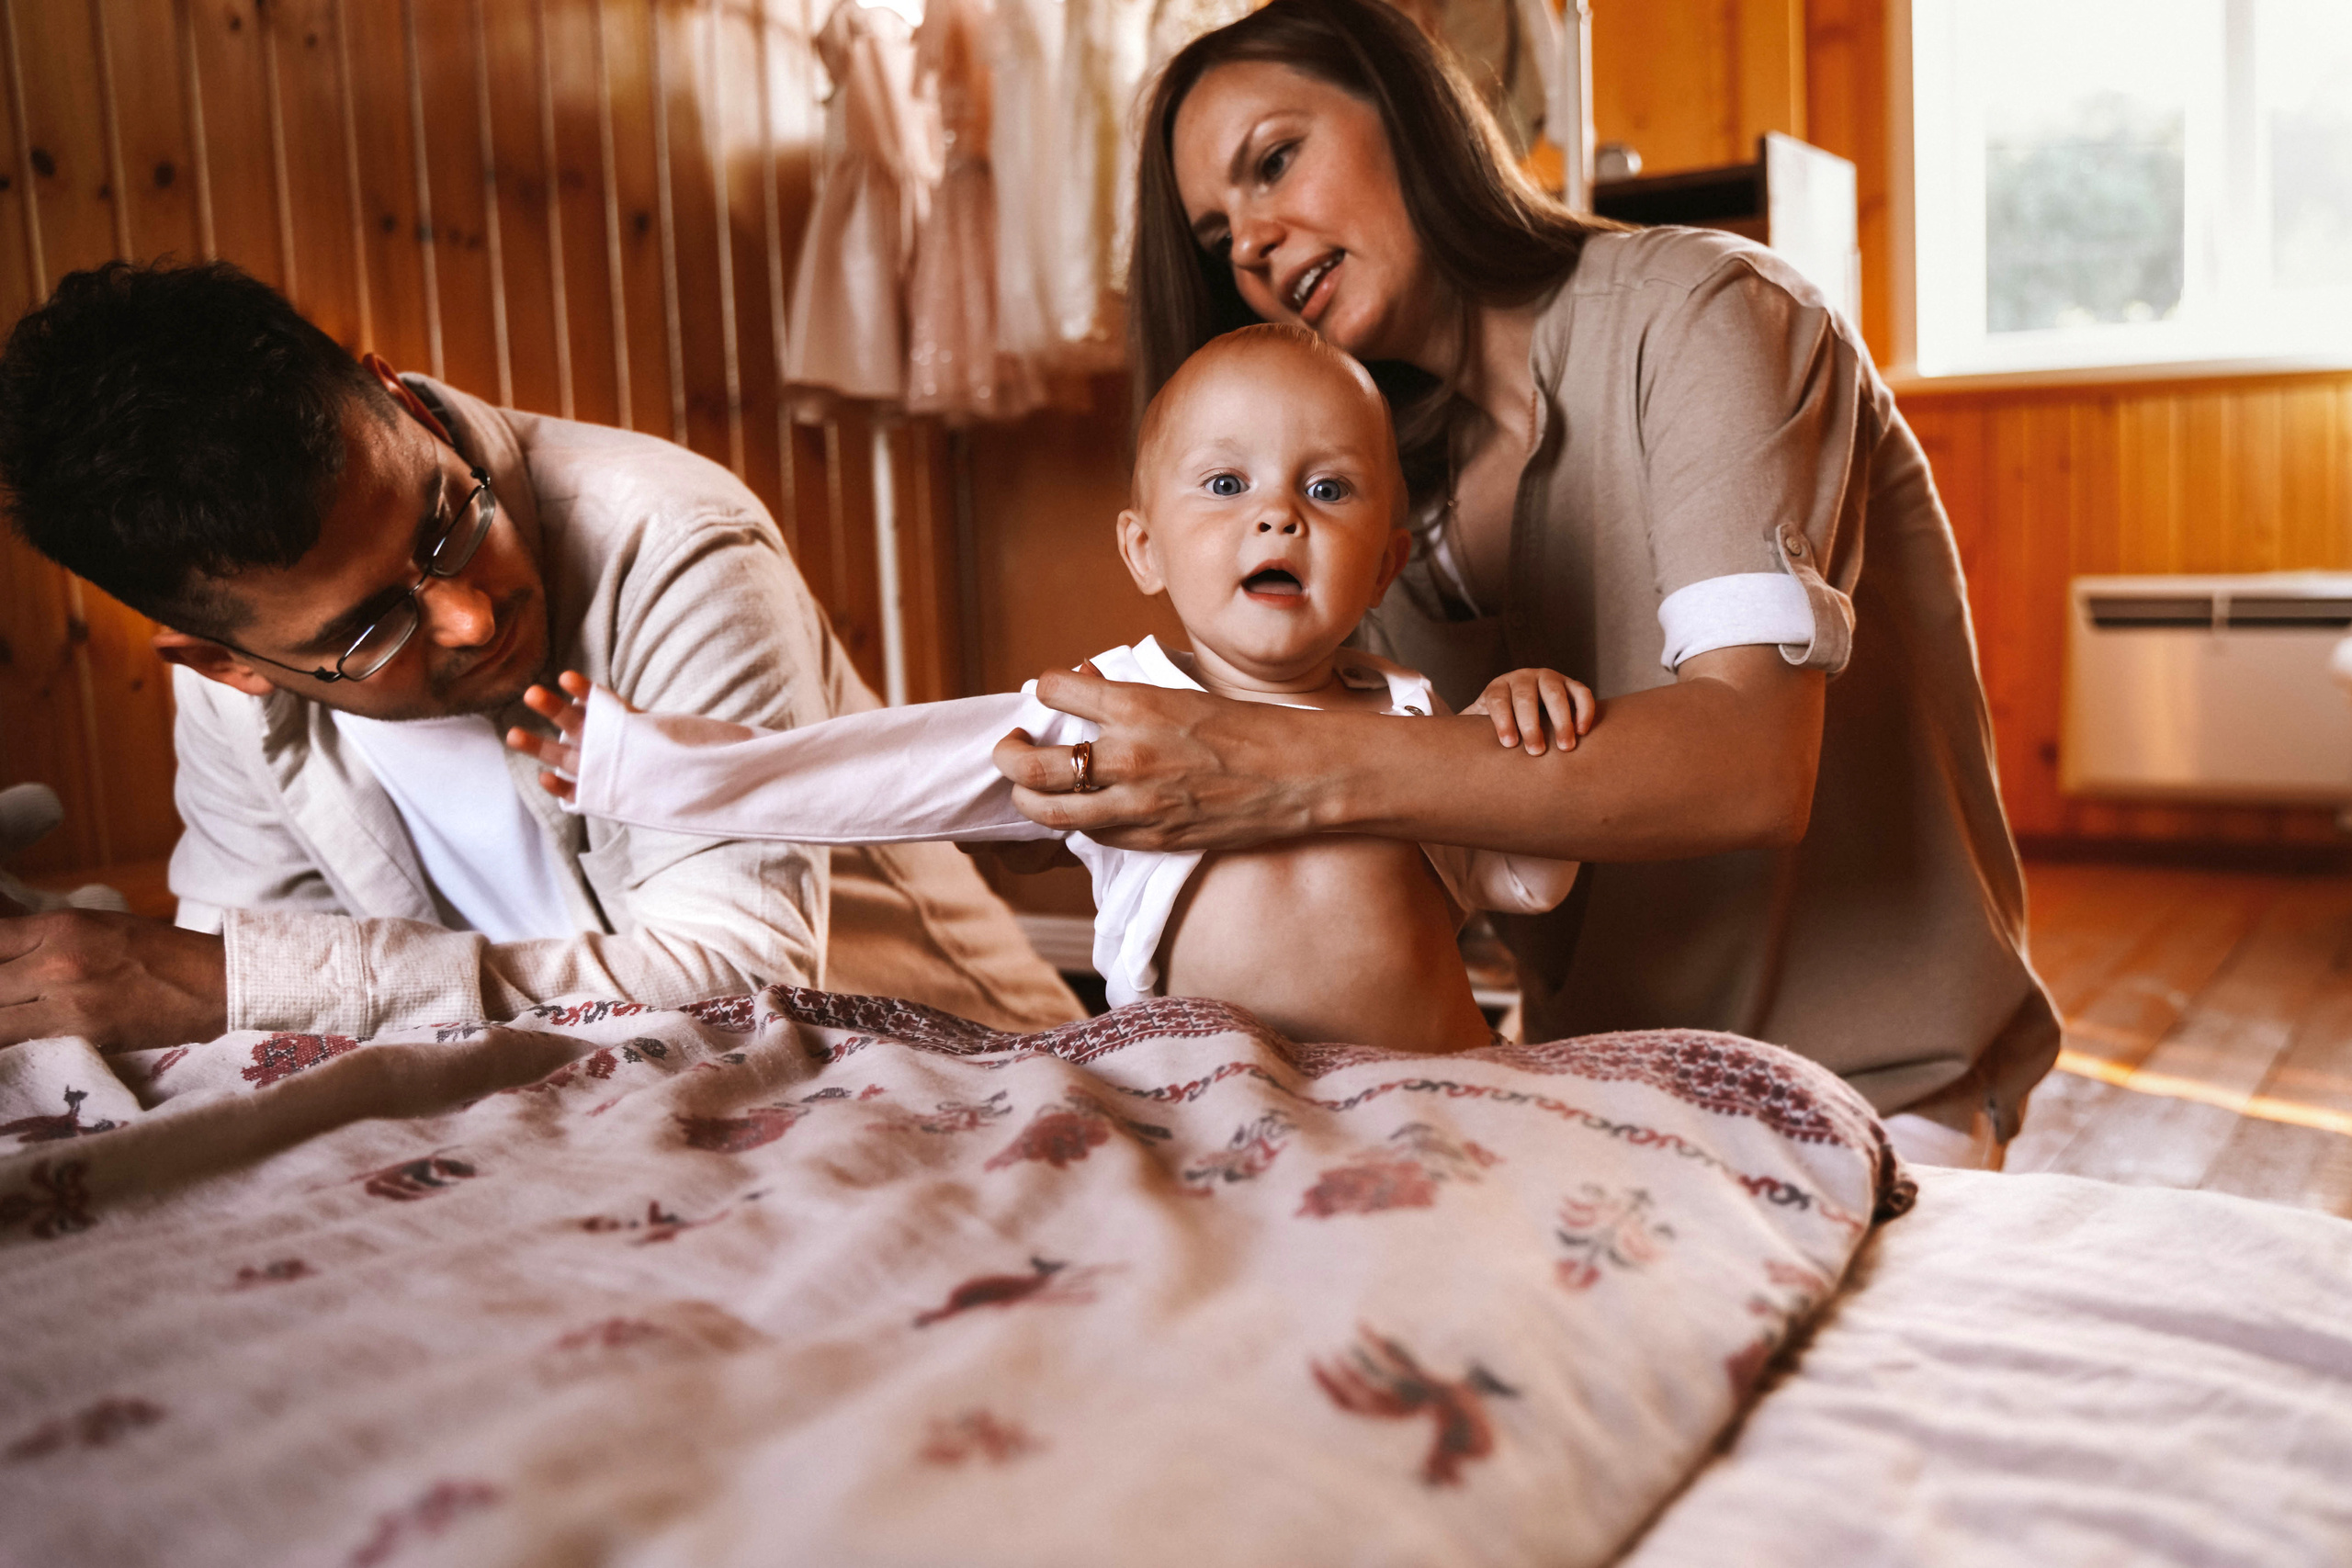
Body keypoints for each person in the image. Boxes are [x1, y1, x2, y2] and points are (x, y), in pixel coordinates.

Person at [988, 0, 2058, 1167]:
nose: (1248, 240)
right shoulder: (1359, 498)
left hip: (1866, 1078)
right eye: (1213, 235)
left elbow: (1753, 768)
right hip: (1582, 1074)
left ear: (1410, 113)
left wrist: (1267, 768)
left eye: (1275, 159)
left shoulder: (1709, 314)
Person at [0, 260, 1080, 1054]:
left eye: (445, 522)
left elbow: (739, 982)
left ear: (400, 398)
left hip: (953, 1062)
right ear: (225, 663)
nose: (469, 616)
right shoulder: (240, 699)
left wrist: (265, 985)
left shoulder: (670, 538)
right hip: (601, 1126)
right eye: (371, 629)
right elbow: (240, 983)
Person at [511, 325, 1588, 1055]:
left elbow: (1527, 880)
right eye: (1225, 484)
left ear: (1386, 562)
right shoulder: (1110, 713)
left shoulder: (1410, 717)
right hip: (1226, 1106)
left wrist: (1529, 727)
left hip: (1441, 1087)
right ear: (1145, 550)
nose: (1279, 515)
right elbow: (871, 772)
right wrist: (640, 766)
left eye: (1328, 487)